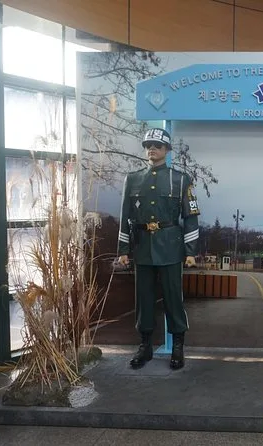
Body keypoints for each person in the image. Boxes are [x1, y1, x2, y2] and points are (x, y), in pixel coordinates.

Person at [116, 128, 200, 370]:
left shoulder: (181, 180)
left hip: (171, 247)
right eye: (148, 145)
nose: (152, 149)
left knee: (173, 298)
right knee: (144, 299)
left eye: (157, 145)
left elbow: (190, 217)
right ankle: (145, 346)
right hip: (142, 246)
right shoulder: (132, 179)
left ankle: (178, 346)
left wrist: (190, 251)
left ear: (167, 150)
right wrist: (123, 249)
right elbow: (125, 216)